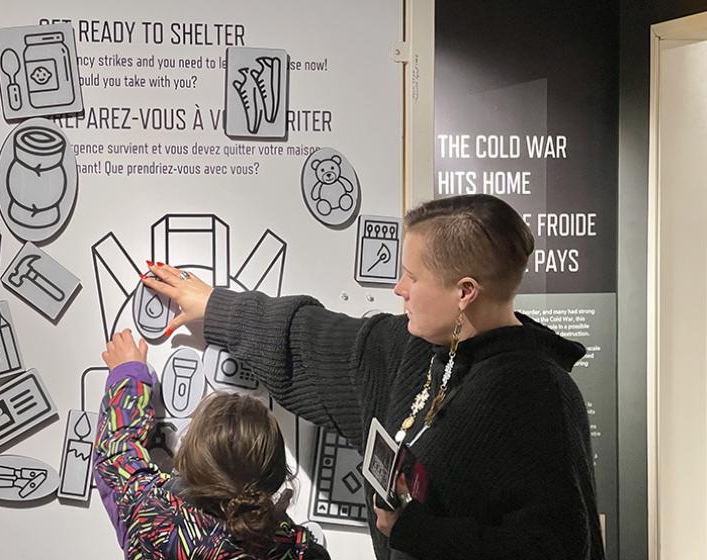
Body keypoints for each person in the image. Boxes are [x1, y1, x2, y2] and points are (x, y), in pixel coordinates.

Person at [143, 194, 605, 560]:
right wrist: (217, 309)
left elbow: (558, 548)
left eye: (412, 276)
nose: (398, 288)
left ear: (465, 292)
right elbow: (309, 341)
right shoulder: (409, 350)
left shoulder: (541, 397)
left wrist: (415, 530)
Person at [93, 328, 330, 560]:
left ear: (186, 457)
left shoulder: (150, 514)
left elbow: (115, 455)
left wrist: (129, 373)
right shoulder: (296, 549)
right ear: (278, 474)